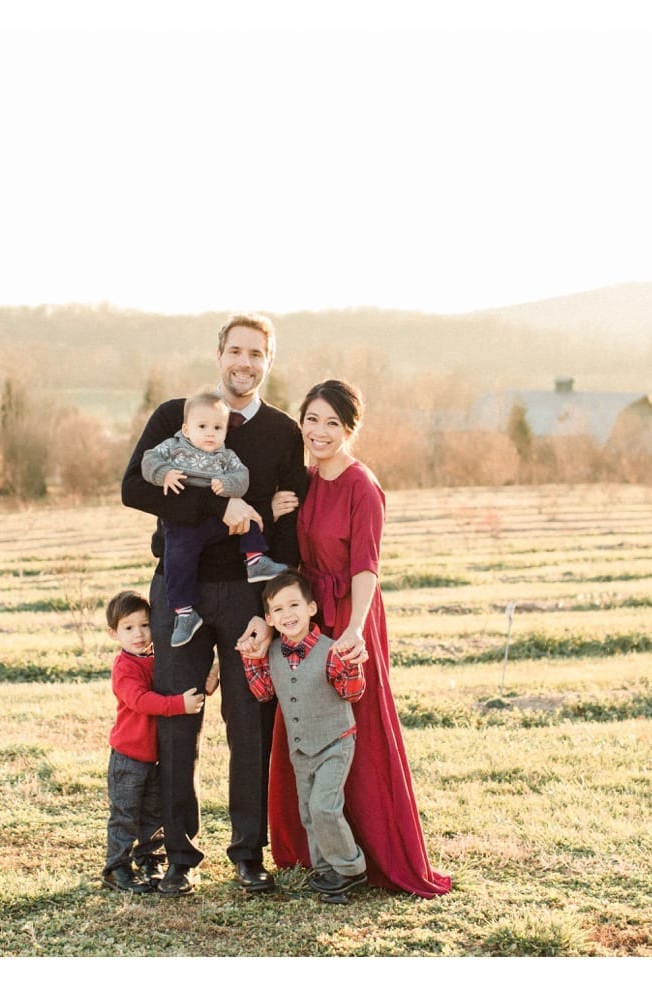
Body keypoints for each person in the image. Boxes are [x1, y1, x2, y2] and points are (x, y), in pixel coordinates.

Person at [120, 313, 312, 896]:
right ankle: (179, 854)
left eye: (256, 353)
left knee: (249, 726)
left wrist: (268, 608)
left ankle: (248, 853)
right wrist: (217, 508)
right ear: (219, 353)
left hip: (247, 597)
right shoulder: (177, 416)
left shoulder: (281, 432)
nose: (244, 363)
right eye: (236, 350)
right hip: (180, 591)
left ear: (268, 361)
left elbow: (285, 529)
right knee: (179, 722)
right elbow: (135, 488)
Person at [255, 379, 451, 898]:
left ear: (350, 429)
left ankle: (371, 855)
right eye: (312, 420)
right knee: (305, 718)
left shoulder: (364, 486)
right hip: (306, 613)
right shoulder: (307, 478)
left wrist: (354, 630)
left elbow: (367, 568)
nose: (319, 432)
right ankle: (317, 850)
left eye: (332, 424)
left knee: (356, 730)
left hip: (348, 616)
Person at [242, 571, 366, 903]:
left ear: (311, 607)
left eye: (294, 604)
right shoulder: (272, 652)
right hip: (300, 748)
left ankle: (351, 870)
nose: (288, 614)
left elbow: (352, 694)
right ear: (268, 618)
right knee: (309, 812)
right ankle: (327, 870)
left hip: (335, 742)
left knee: (325, 806)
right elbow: (264, 692)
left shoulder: (331, 650)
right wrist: (250, 660)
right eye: (278, 610)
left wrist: (351, 666)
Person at [141, 390, 290, 647]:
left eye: (218, 428)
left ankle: (255, 560)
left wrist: (228, 486)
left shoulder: (225, 456)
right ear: (186, 430)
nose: (210, 433)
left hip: (215, 524)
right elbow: (148, 460)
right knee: (177, 559)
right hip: (184, 524)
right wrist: (164, 474)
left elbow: (242, 478)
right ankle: (185, 613)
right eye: (202, 427)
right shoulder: (174, 447)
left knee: (249, 517)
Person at [101, 589, 208, 894]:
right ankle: (116, 867)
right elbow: (141, 700)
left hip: (154, 756)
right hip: (129, 756)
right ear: (114, 634)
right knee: (125, 814)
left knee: (153, 813)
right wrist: (178, 705)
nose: (138, 634)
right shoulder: (124, 668)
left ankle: (150, 860)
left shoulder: (156, 659)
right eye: (129, 627)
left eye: (145, 625)